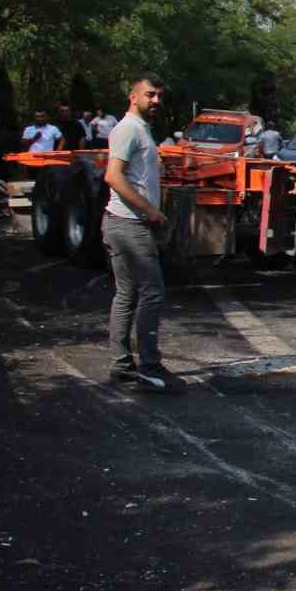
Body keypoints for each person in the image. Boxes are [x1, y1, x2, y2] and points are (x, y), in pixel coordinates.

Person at [103, 73, 177, 393]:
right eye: (150, 95)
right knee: (152, 292)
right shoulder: (128, 130)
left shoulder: (141, 130)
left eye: (159, 94)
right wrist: (149, 209)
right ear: (133, 97)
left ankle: (121, 365)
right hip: (129, 224)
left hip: (122, 222)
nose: (156, 100)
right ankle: (148, 365)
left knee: (127, 294)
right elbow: (113, 176)